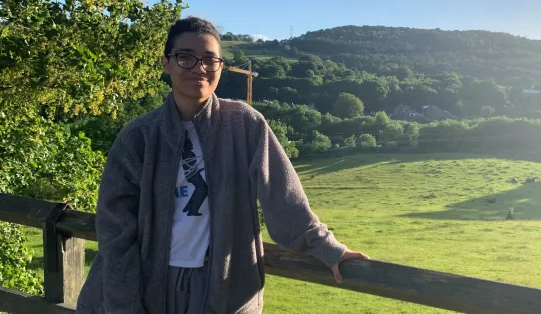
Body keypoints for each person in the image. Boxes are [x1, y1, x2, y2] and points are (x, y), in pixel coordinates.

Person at [76, 17, 368, 314]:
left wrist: (328, 248)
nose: (198, 68)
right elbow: (116, 230)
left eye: (209, 59)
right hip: (152, 285)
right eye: (185, 58)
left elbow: (284, 197)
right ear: (166, 63)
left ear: (220, 66)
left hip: (225, 287)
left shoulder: (245, 124)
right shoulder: (138, 136)